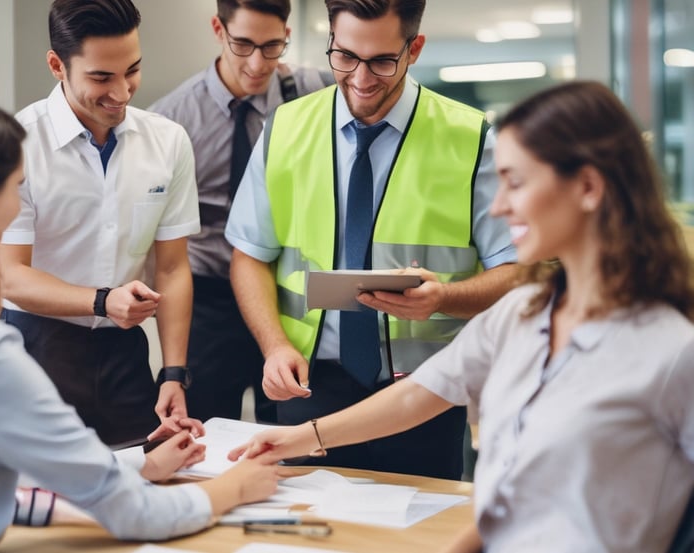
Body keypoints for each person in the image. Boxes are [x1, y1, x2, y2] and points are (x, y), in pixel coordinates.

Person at [229, 80, 694, 552]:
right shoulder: (521, 315)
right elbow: (421, 396)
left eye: (516, 182)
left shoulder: (672, 351)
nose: (498, 205)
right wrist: (300, 439)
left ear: (589, 187)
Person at [0, 96, 279, 553]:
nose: (20, 203)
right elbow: (138, 514)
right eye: (18, 185)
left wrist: (137, 467)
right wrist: (235, 487)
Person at [224, 0, 517, 478]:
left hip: (425, 398)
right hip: (308, 390)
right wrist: (275, 346)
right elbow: (250, 255)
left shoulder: (472, 140)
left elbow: (519, 272)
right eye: (344, 57)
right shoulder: (286, 129)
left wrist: (445, 297)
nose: (360, 79)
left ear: (414, 48)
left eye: (382, 61)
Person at [0, 0, 201, 445]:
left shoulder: (168, 142)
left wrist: (173, 374)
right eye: (101, 77)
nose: (124, 92)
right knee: (40, 499)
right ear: (57, 65)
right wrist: (102, 300)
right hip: (35, 347)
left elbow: (171, 268)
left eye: (132, 70)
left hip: (124, 353)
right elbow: (9, 275)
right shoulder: (17, 143)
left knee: (143, 481)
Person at [148, 0, 332, 424]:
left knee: (293, 427)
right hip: (208, 301)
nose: (258, 62)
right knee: (208, 429)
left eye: (273, 47)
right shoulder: (172, 122)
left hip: (286, 297)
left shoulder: (313, 93)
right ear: (218, 29)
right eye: (244, 44)